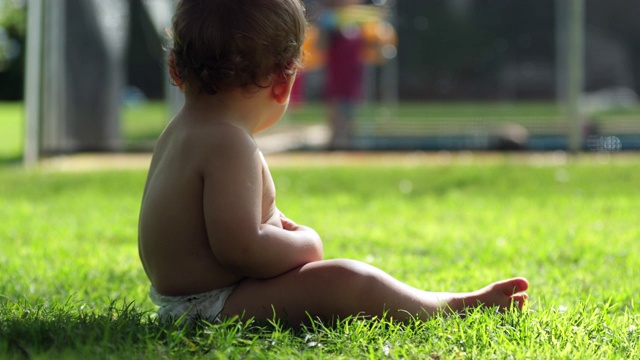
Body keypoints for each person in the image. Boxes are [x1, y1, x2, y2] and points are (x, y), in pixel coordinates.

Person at [138, 0, 529, 327]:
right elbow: (239, 249)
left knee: (338, 280)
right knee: (347, 280)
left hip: (183, 299)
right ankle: (447, 308)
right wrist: (306, 244)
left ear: (175, 68)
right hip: (212, 307)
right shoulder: (229, 143)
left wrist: (274, 221)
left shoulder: (182, 130)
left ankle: (445, 303)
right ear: (284, 81)